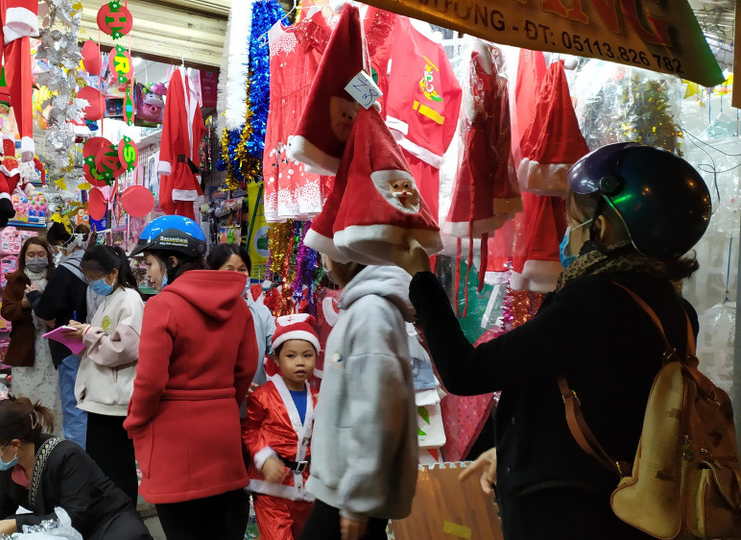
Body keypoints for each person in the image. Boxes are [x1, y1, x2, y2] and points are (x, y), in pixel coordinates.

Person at [394, 143, 711, 540]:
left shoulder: (593, 301)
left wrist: (421, 278)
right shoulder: (674, 308)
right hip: (628, 510)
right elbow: (611, 406)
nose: (567, 230)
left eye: (575, 217)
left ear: (603, 227)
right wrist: (515, 452)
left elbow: (465, 372)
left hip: (570, 513)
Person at [125, 215, 258, 540]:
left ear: (171, 261)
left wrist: (135, 421)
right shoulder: (239, 307)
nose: (149, 273)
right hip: (223, 439)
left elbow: (150, 380)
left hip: (174, 444)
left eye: (150, 263)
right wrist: (223, 402)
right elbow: (245, 369)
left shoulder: (163, 306)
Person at [298, 260, 418, 540]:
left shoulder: (370, 312)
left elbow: (376, 411)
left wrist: (357, 501)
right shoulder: (362, 307)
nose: (322, 262)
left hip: (349, 492)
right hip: (347, 487)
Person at [0, 396, 152, 540]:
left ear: (14, 444)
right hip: (70, 529)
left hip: (107, 524)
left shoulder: (65, 456)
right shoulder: (10, 463)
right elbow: (2, 506)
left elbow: (74, 516)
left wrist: (17, 524)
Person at [65, 244, 144, 505]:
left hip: (115, 401)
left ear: (113, 272)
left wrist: (87, 334)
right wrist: (82, 333)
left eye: (95, 277)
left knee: (117, 471)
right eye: (88, 277)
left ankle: (124, 520)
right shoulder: (110, 298)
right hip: (100, 399)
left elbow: (123, 349)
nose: (92, 283)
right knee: (103, 469)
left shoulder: (129, 298)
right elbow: (105, 340)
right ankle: (110, 517)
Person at [242, 314, 320, 540]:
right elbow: (250, 429)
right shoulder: (263, 396)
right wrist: (265, 458)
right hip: (271, 489)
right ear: (276, 359)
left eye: (307, 355)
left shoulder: (318, 398)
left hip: (306, 488)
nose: (300, 362)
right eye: (291, 356)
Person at [34, 223, 91, 448]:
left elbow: (46, 310)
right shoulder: (92, 265)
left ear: (59, 245)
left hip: (70, 344)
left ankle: (77, 461)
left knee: (74, 405)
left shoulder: (65, 270)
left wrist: (35, 297)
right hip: (95, 343)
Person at [1, 237, 63, 432]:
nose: (36, 259)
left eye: (41, 254)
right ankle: (26, 437)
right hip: (25, 348)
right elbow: (7, 311)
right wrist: (25, 303)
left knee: (54, 396)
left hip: (53, 348)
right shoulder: (15, 280)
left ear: (48, 256)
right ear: (24, 257)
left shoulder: (58, 278)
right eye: (31, 255)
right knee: (25, 396)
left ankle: (53, 438)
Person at [207, 244, 276, 398]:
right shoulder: (204, 312)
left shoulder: (260, 312)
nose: (237, 275)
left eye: (242, 270)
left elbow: (277, 349)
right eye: (229, 270)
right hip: (217, 403)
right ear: (213, 272)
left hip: (255, 408)